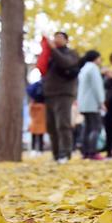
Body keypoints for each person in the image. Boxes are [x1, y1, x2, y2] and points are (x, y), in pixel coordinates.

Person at [43, 31, 80, 163]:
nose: (56, 40)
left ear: (66, 40)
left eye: (60, 37)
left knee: (62, 124)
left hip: (64, 94)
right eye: (55, 37)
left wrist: (53, 49)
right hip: (49, 94)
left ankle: (65, 153)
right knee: (51, 126)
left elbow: (66, 63)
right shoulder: (50, 55)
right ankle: (56, 154)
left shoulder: (71, 53)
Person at [77, 50, 106, 159]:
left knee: (87, 127)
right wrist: (101, 102)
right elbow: (97, 87)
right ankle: (92, 151)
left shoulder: (84, 69)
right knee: (95, 127)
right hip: (92, 103)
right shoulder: (93, 69)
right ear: (95, 58)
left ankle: (85, 151)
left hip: (84, 103)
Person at [26, 80, 46, 155]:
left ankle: (33, 150)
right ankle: (40, 150)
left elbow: (30, 114)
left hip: (34, 122)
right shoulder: (44, 106)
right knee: (40, 137)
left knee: (33, 137)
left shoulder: (32, 106)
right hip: (41, 122)